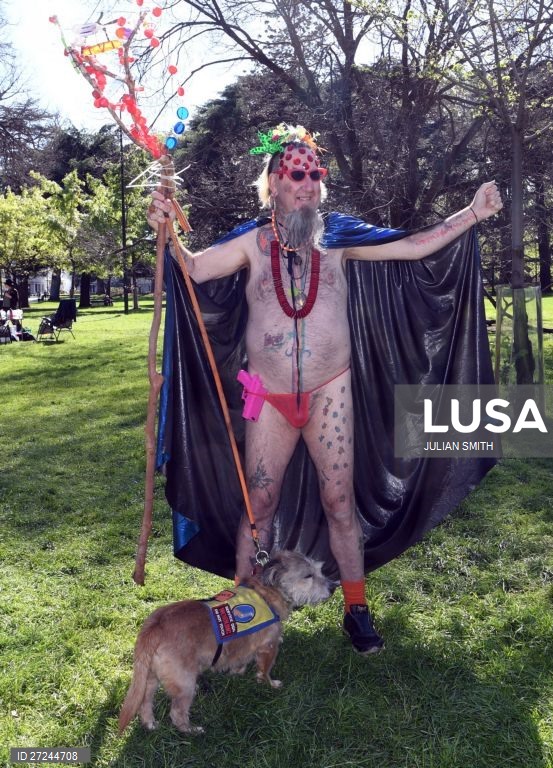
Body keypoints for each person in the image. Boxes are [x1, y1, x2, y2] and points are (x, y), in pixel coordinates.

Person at [148, 124, 503, 654]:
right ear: (273, 182)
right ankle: (246, 610)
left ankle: (356, 608)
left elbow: (407, 247)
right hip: (267, 396)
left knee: (340, 503)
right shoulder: (251, 240)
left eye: (316, 175)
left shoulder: (337, 237)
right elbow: (195, 270)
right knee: (258, 508)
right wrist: (167, 229)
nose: (308, 185)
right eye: (296, 175)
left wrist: (471, 214)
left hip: (330, 392)